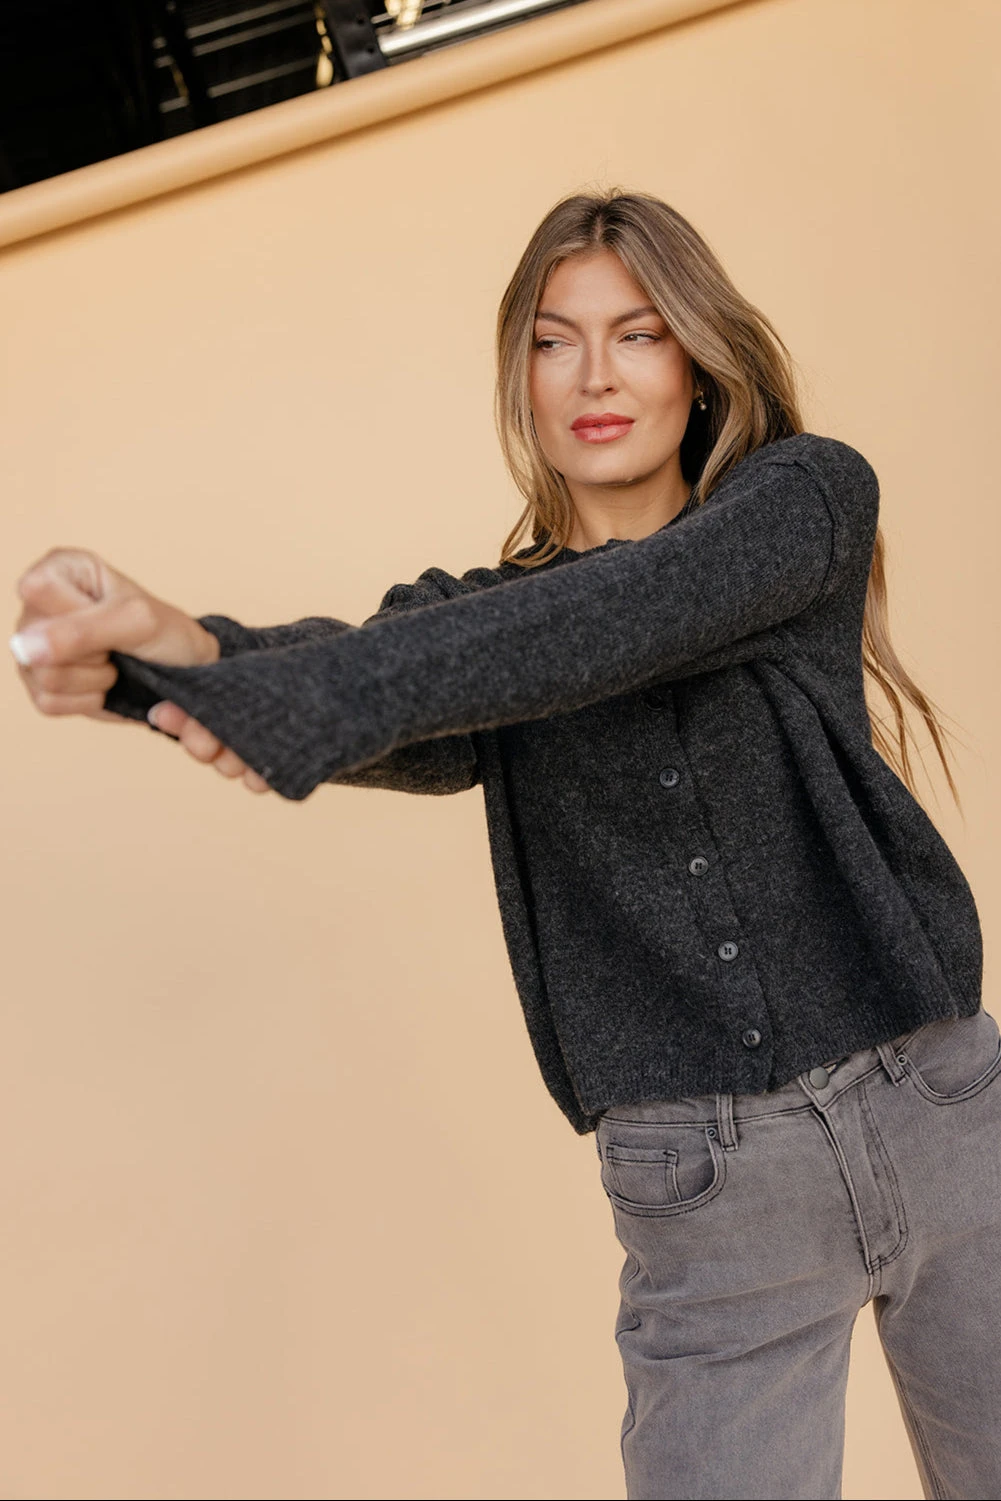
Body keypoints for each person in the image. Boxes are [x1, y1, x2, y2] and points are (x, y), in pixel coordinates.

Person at [10, 190, 1000, 1501]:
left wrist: (271, 689)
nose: (596, 375)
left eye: (639, 333)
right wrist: (178, 655)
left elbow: (622, 616)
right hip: (712, 1189)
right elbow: (427, 680)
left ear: (698, 361)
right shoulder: (471, 635)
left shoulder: (802, 503)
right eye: (553, 340)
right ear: (518, 377)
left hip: (943, 1112)